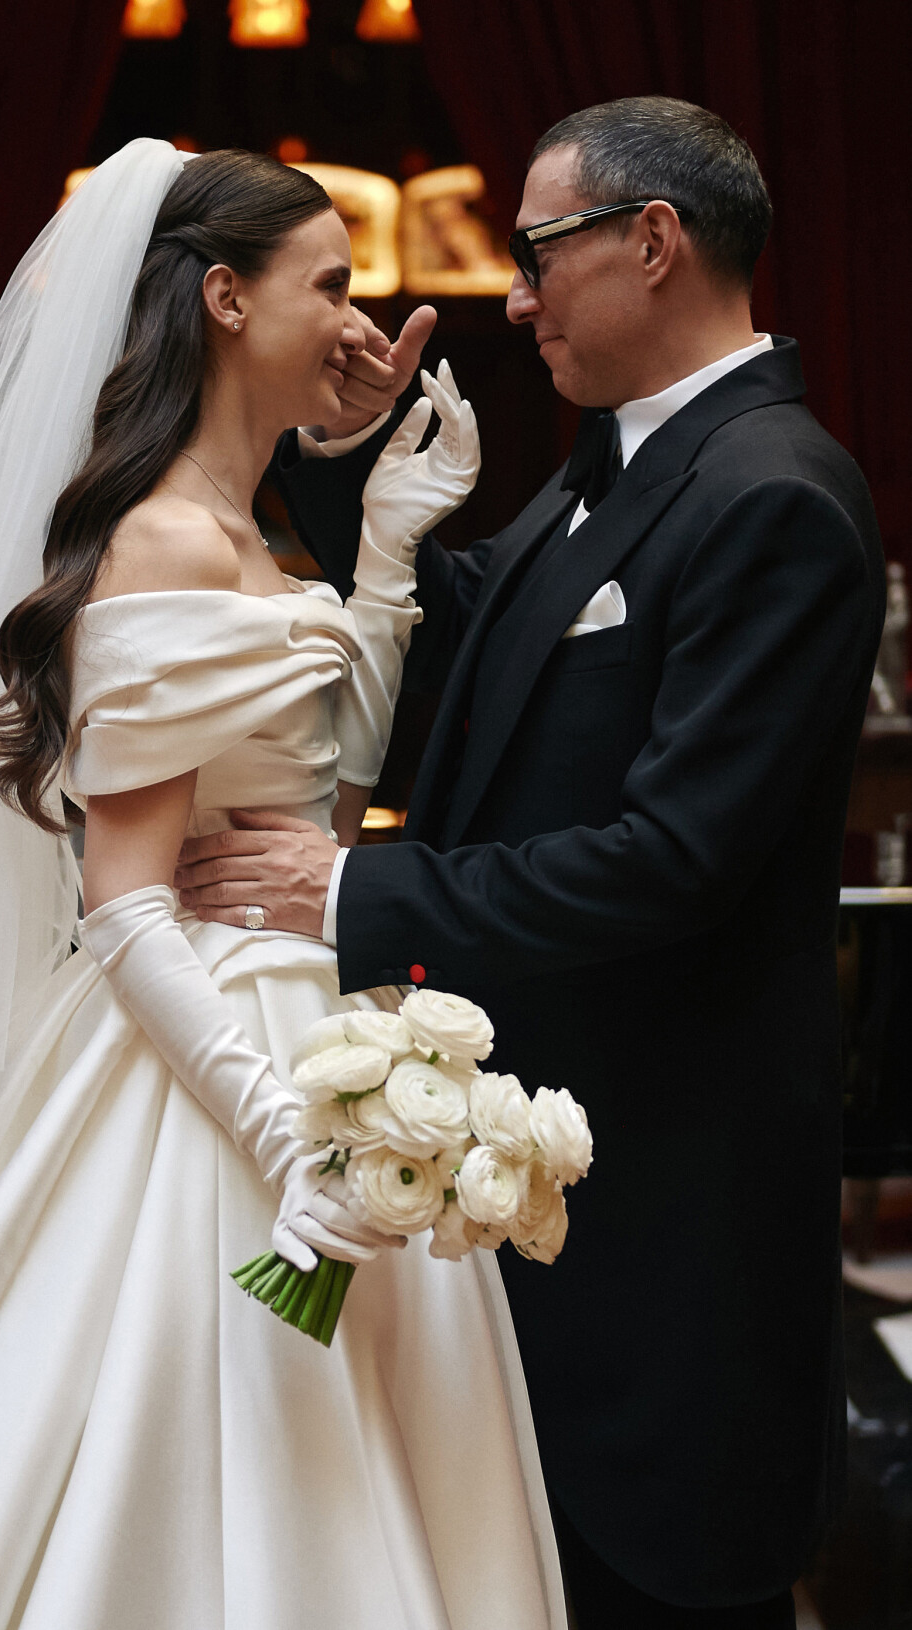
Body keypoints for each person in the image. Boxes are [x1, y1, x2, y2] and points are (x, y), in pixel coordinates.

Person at [0, 143, 567, 1627]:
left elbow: (318, 802)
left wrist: (387, 549)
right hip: (210, 1061)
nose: (359, 325)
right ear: (225, 299)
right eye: (330, 286)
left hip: (307, 1013)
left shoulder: (251, 529)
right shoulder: (165, 536)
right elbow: (125, 901)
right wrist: (286, 1137)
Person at [175, 97, 888, 1627]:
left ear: (654, 241)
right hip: (543, 1194)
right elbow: (465, 658)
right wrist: (353, 460)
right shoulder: (610, 464)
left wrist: (348, 893)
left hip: (670, 1215)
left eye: (538, 252)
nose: (512, 299)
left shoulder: (774, 492)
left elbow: (672, 859)